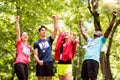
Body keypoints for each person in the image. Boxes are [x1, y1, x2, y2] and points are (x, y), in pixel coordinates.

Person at [79, 11, 117, 80]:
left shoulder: (101, 40)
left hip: (93, 61)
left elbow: (109, 28)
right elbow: (83, 32)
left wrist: (113, 18)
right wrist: (80, 24)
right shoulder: (89, 40)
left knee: (93, 78)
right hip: (86, 60)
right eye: (96, 31)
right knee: (84, 78)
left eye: (98, 31)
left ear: (101, 35)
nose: (96, 31)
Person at [33, 15, 58, 80]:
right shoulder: (36, 43)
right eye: (42, 30)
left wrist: (55, 19)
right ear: (39, 32)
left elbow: (55, 30)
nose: (44, 31)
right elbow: (35, 55)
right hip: (40, 63)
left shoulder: (49, 39)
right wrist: (38, 61)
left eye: (45, 30)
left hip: (49, 62)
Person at [14, 16, 32, 80]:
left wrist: (29, 59)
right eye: (23, 35)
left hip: (25, 65)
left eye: (26, 35)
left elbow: (28, 56)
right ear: (21, 37)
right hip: (19, 63)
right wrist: (17, 21)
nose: (25, 36)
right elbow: (18, 31)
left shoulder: (30, 47)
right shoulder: (19, 43)